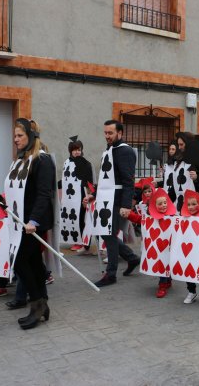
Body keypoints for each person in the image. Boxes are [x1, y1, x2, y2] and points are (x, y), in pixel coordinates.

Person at [5, 118, 55, 330]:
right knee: (33, 261)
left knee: (20, 261)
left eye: (20, 135)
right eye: (15, 136)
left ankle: (37, 305)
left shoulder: (42, 160)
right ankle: (42, 302)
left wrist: (33, 220)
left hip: (34, 222)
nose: (16, 140)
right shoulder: (21, 159)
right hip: (21, 221)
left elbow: (44, 194)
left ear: (31, 136)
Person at [85, 120, 140, 287]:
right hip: (104, 198)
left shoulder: (125, 151)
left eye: (110, 133)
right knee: (106, 233)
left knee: (109, 234)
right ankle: (132, 258)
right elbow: (105, 178)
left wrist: (125, 205)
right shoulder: (109, 150)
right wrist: (93, 195)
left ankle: (111, 274)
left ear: (120, 133)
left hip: (116, 200)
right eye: (105, 133)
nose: (107, 136)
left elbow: (128, 180)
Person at [62, 137, 94, 254]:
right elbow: (65, 179)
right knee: (72, 218)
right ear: (70, 151)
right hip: (69, 197)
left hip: (81, 195)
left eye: (79, 149)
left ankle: (83, 243)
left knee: (81, 219)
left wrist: (90, 195)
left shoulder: (86, 164)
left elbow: (89, 181)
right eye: (74, 150)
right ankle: (76, 240)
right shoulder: (67, 163)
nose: (77, 152)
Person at [173, 132, 199, 210]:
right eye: (178, 145)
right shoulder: (178, 159)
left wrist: (197, 178)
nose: (179, 147)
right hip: (182, 203)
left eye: (181, 144)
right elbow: (177, 182)